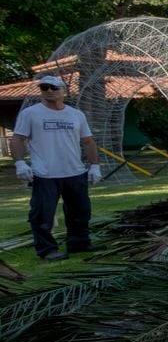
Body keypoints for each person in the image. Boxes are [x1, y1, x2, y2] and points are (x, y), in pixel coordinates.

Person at [11, 74, 103, 261]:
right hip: (44, 173)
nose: (49, 91)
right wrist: (20, 162)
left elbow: (87, 141)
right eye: (44, 88)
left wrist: (95, 166)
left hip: (75, 171)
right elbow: (18, 139)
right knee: (42, 214)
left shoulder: (76, 115)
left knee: (81, 211)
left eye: (54, 88)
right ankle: (47, 250)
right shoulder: (31, 114)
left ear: (64, 91)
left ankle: (79, 243)